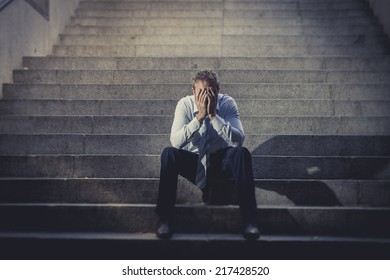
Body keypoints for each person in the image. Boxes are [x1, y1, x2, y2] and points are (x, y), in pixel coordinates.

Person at [155, 70, 260, 240]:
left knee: (241, 153)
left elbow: (239, 139)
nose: (205, 95)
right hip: (195, 163)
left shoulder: (227, 103)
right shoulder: (185, 104)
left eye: (210, 91)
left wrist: (213, 116)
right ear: (193, 92)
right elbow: (175, 142)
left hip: (221, 161)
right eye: (201, 91)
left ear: (218, 91)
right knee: (169, 154)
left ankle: (250, 221)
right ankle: (164, 220)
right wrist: (199, 118)